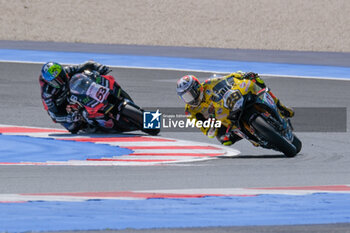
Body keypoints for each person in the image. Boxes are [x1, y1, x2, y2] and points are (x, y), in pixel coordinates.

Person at [176, 71, 294, 146]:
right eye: (185, 97)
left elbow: (229, 78)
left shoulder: (209, 83)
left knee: (255, 79)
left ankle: (280, 106)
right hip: (223, 120)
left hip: (231, 102)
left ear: (197, 87)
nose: (190, 99)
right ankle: (252, 136)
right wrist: (211, 124)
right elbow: (207, 131)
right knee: (225, 140)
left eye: (190, 94)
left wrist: (243, 75)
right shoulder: (190, 111)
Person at [39, 60, 111, 133]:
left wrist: (99, 67)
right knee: (72, 127)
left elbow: (88, 64)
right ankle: (89, 125)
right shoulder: (47, 93)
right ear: (49, 82)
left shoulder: (68, 70)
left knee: (90, 77)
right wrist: (68, 118)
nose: (60, 81)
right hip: (61, 104)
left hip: (76, 90)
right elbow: (54, 116)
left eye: (60, 76)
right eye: (55, 80)